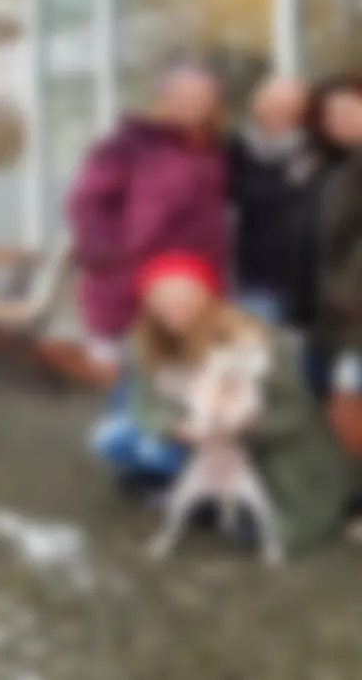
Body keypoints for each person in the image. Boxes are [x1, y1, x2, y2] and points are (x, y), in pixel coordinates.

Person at [92, 251, 352, 554]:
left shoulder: (251, 340)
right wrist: (176, 427)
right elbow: (143, 403)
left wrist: (246, 424)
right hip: (199, 440)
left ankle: (233, 502)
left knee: (258, 534)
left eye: (186, 297)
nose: (174, 308)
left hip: (265, 449)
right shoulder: (146, 341)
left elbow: (294, 412)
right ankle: (197, 492)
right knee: (114, 439)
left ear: (209, 296)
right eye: (162, 297)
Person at [68, 59, 228, 375]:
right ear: (163, 100)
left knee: (183, 385)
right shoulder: (126, 145)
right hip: (131, 285)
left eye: (203, 98)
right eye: (184, 96)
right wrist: (107, 258)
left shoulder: (213, 150)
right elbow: (88, 203)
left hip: (192, 291)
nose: (193, 105)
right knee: (130, 389)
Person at [226, 75, 322, 327]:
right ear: (257, 106)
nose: (283, 112)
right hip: (257, 280)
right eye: (275, 104)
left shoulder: (319, 150)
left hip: (315, 282)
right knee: (258, 358)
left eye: (294, 107)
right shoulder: (233, 150)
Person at [310, 75, 362, 406]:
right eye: (330, 115)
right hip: (334, 313)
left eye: (349, 109)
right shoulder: (338, 166)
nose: (338, 119)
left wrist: (350, 290)